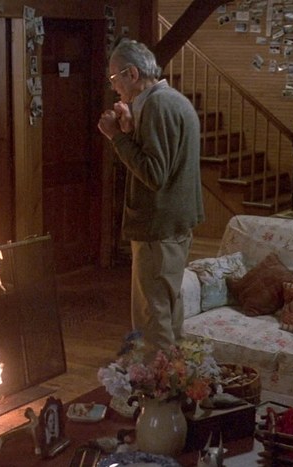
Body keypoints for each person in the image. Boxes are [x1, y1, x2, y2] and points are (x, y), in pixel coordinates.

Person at [97, 39, 204, 353]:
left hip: (159, 227)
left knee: (153, 317)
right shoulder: (171, 101)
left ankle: (160, 379)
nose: (114, 87)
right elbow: (162, 160)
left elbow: (155, 173)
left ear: (132, 74)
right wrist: (130, 131)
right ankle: (177, 376)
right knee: (168, 309)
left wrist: (116, 137)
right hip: (172, 224)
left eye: (114, 78)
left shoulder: (158, 105)